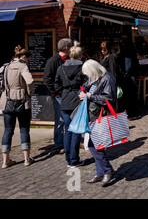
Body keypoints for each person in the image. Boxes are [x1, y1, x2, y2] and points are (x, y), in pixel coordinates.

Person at [79, 59, 117, 187]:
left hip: (102, 115)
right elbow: (87, 87)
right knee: (94, 144)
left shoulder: (107, 78)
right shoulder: (97, 78)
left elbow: (109, 98)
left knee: (95, 145)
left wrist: (90, 96)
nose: (87, 76)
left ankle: (107, 170)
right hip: (94, 115)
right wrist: (83, 92)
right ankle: (101, 171)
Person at [1, 46, 34, 168]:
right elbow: (29, 81)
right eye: (28, 59)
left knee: (8, 130)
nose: (28, 62)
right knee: (24, 129)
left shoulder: (5, 66)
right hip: (22, 101)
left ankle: (5, 161)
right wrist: (30, 92)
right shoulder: (23, 66)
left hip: (7, 101)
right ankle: (26, 159)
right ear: (24, 57)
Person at [54, 43, 86, 168]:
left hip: (65, 100)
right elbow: (87, 83)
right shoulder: (82, 68)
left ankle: (68, 159)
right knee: (76, 130)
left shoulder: (61, 68)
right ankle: (74, 159)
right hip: (77, 99)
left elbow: (56, 84)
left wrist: (62, 93)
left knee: (67, 130)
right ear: (80, 56)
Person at [44, 38, 73, 153]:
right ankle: (60, 143)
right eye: (70, 46)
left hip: (69, 94)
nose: (71, 49)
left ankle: (70, 140)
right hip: (59, 96)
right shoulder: (53, 61)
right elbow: (47, 78)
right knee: (60, 120)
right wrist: (55, 92)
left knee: (70, 119)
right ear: (66, 48)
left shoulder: (68, 59)